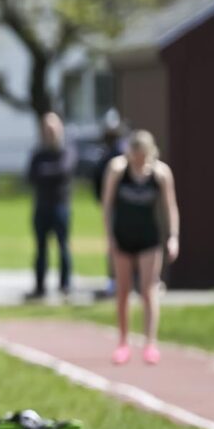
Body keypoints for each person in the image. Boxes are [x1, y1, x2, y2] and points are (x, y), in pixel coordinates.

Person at [100, 130, 179, 365]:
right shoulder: (117, 170)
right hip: (123, 236)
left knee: (148, 289)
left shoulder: (160, 173)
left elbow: (170, 207)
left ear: (150, 153)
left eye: (142, 156)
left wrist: (173, 236)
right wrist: (109, 237)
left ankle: (150, 343)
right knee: (123, 290)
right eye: (135, 156)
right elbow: (107, 205)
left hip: (149, 238)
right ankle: (123, 342)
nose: (139, 161)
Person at [25, 112, 75, 300]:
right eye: (47, 129)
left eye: (53, 129)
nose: (50, 132)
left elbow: (63, 171)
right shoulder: (38, 153)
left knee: (63, 247)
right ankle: (39, 287)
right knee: (40, 248)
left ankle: (65, 285)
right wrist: (48, 173)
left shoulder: (67, 150)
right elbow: (30, 176)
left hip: (61, 207)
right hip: (41, 207)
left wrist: (44, 173)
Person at [91, 119, 125, 299]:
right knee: (113, 243)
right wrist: (102, 201)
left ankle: (129, 279)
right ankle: (114, 280)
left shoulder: (124, 154)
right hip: (112, 206)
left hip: (128, 207)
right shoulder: (105, 157)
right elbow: (97, 180)